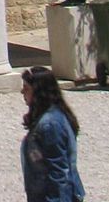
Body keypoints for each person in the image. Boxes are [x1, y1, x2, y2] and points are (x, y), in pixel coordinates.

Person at [21, 66, 85, 202]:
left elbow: (58, 172)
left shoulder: (50, 125)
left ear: (38, 91)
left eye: (26, 88)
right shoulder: (51, 117)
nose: (22, 92)